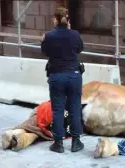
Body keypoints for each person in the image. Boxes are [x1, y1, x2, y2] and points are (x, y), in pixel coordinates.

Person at [40, 7, 84, 153]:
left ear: (55, 19)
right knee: (75, 108)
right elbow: (79, 50)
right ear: (68, 20)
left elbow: (45, 52)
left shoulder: (49, 36)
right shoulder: (75, 34)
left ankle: (58, 143)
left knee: (58, 109)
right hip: (74, 75)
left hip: (56, 76)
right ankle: (76, 142)